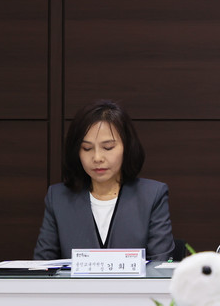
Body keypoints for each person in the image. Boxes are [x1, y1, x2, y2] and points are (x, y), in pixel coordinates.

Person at [34, 100, 174, 260]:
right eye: (87, 148)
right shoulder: (58, 197)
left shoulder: (152, 195)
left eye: (108, 147)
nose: (97, 158)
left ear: (127, 147)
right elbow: (42, 265)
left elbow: (160, 264)